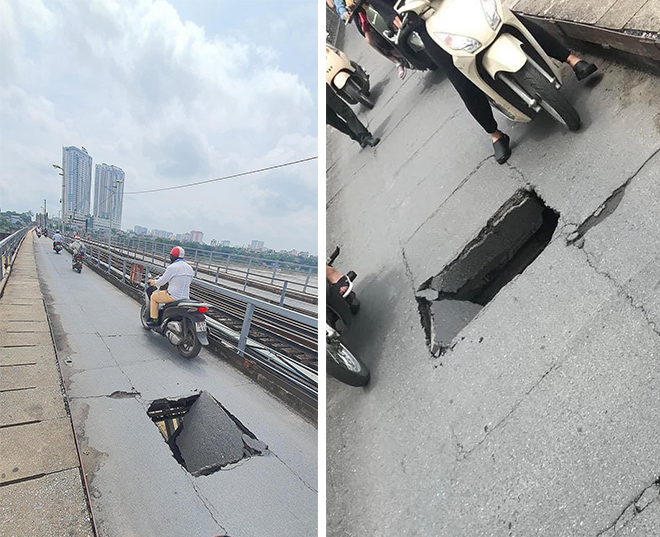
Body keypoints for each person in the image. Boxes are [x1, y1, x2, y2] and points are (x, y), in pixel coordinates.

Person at [372, 0, 598, 163]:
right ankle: (494, 133)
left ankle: (572, 59)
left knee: (510, 21)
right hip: (422, 21)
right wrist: (394, 17)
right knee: (459, 76)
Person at [146, 246, 194, 326]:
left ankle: (154, 320)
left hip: (173, 296)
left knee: (153, 297)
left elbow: (162, 281)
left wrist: (153, 282)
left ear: (172, 257)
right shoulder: (189, 268)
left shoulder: (172, 267)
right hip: (185, 297)